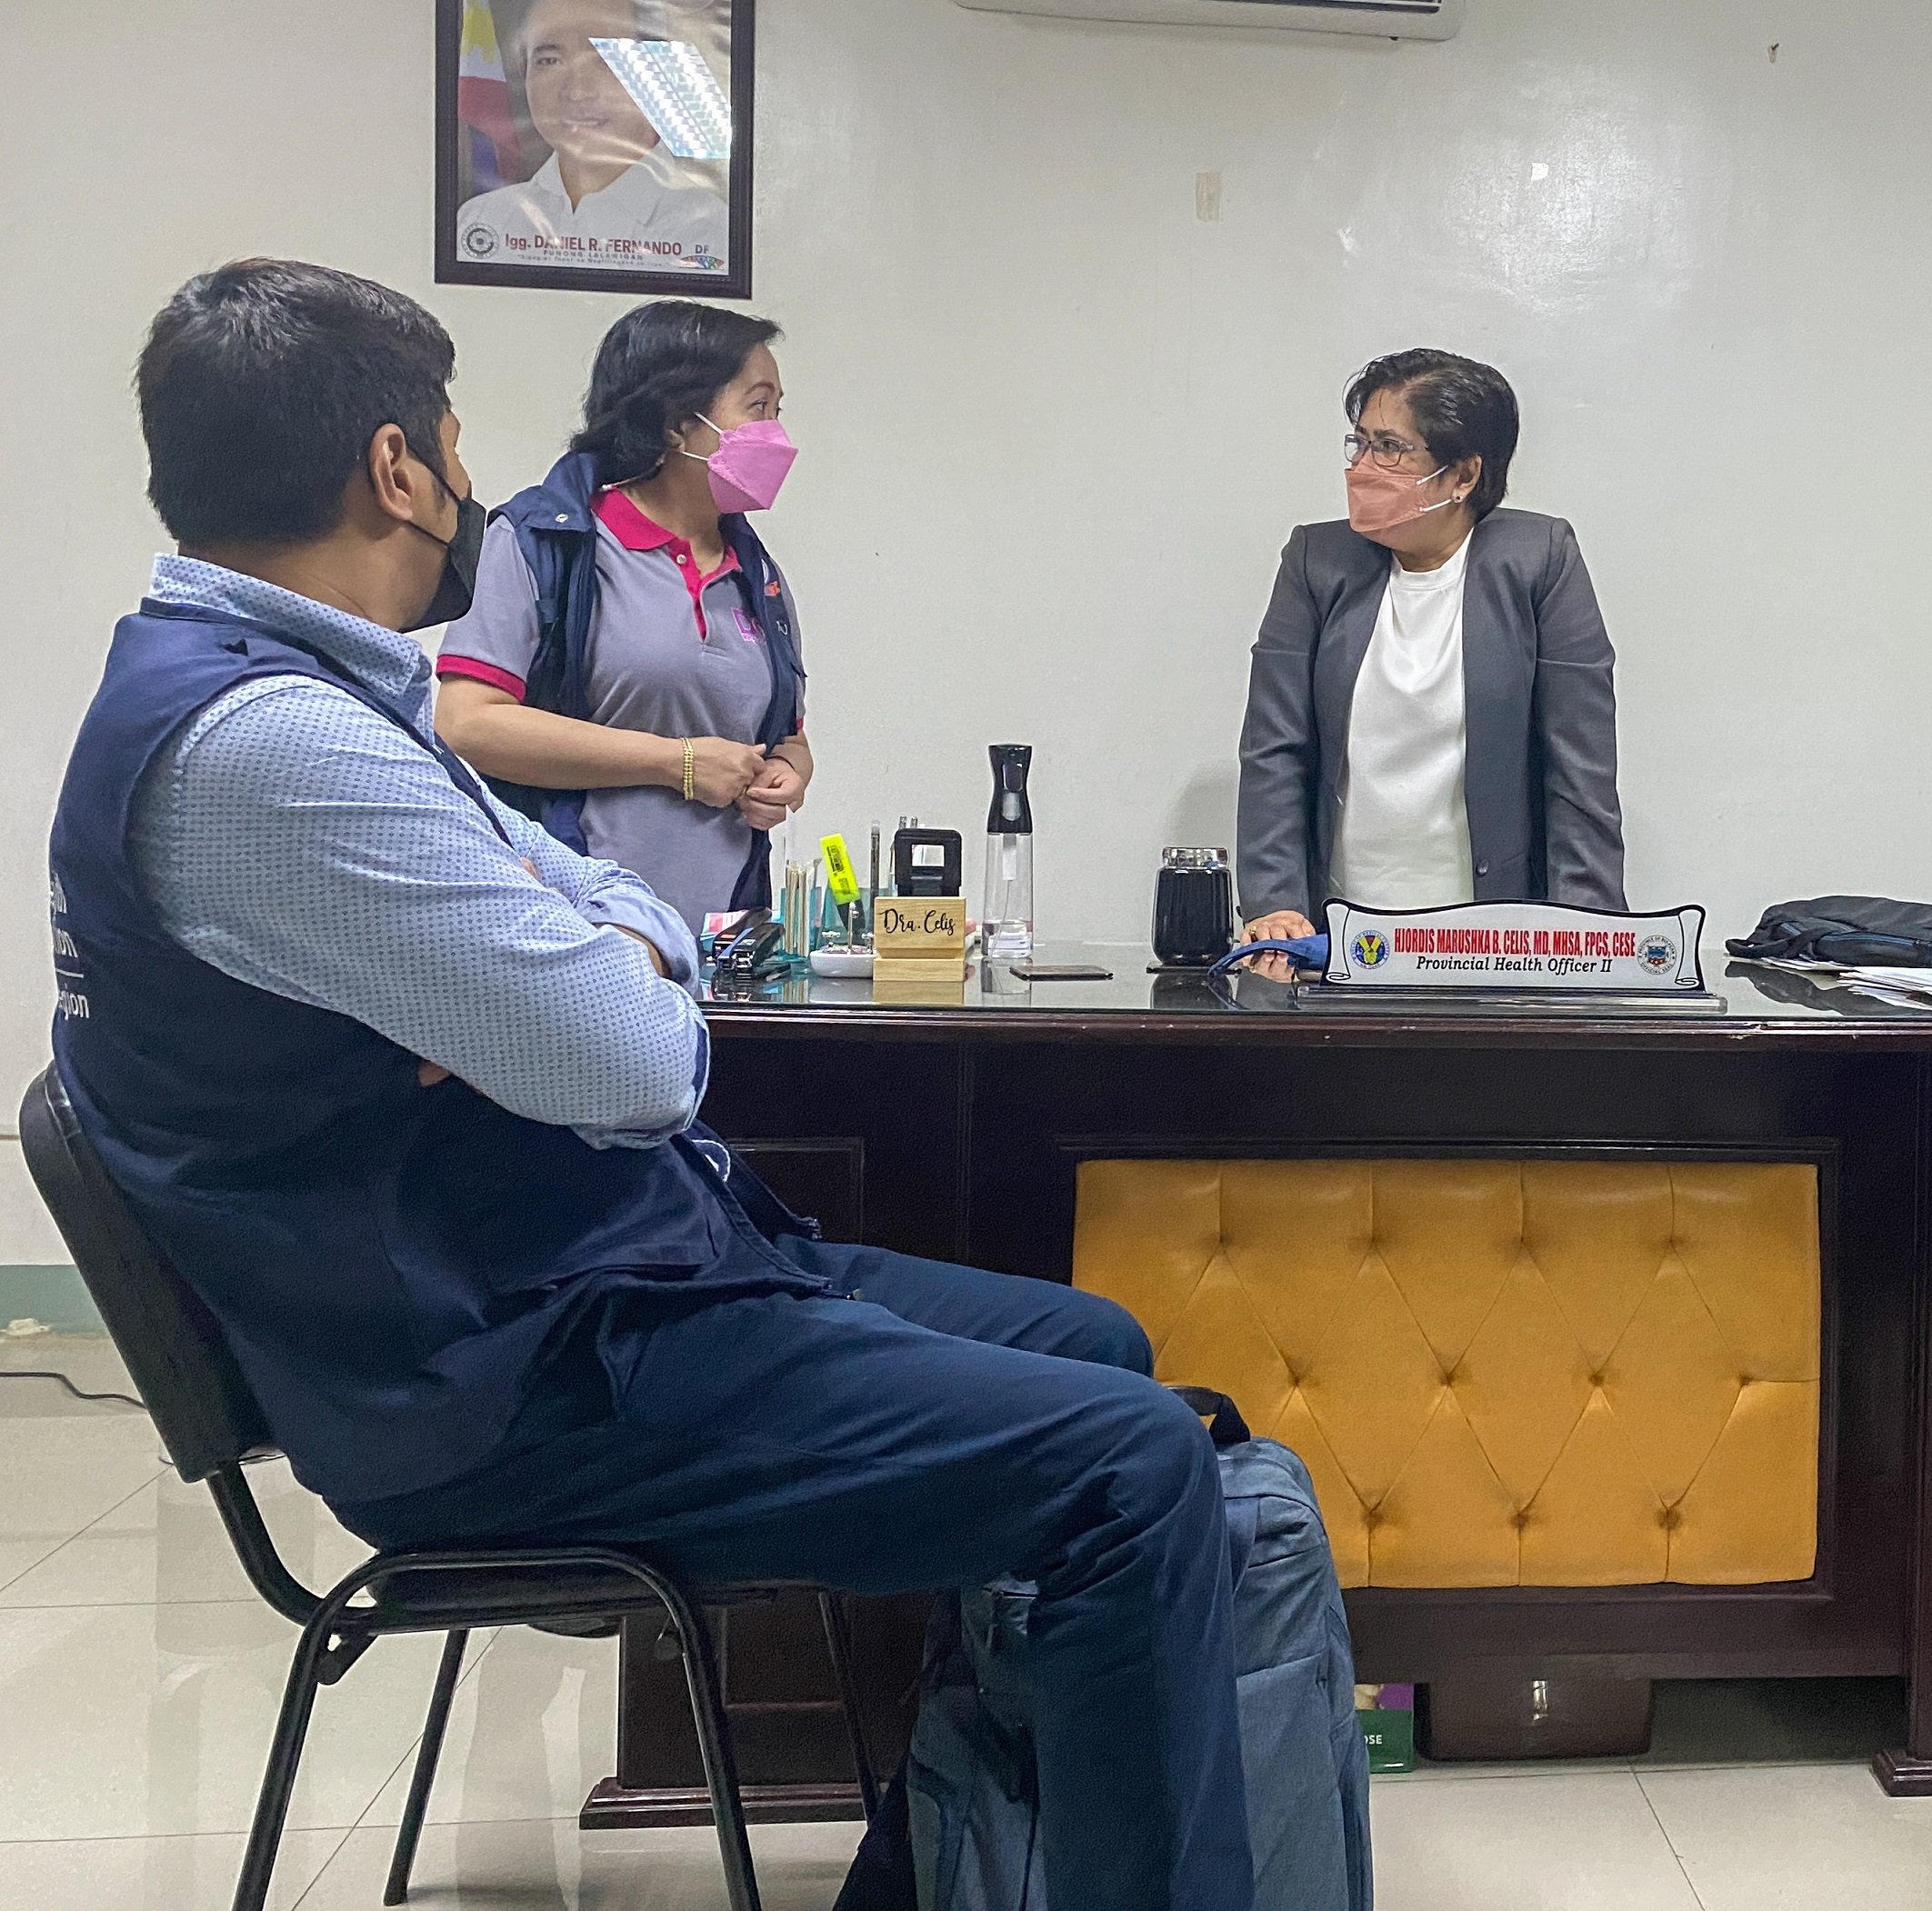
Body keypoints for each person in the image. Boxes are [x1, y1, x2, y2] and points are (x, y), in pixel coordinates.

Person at [52, 259, 1251, 1909]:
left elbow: (598, 910)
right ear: (395, 468)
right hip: (504, 1377)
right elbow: (636, 1064)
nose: (467, 476)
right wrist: (601, 956)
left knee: (1094, 1345)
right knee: (1130, 1466)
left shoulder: (305, 693)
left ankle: (944, 1876)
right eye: (452, 442)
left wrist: (592, 940)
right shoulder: (279, 746)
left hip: (575, 1289)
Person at [1234, 348, 1625, 961]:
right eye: (1360, 443)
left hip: (1495, 937)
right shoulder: (1316, 561)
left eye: (1390, 448)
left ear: (1463, 474)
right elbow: (1274, 748)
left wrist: (1587, 940)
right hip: (1340, 933)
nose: (1363, 467)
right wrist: (1275, 901)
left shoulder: (1540, 559)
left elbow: (1579, 767)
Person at [435, 300, 808, 925]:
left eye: (778, 410)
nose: (775, 434)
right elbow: (467, 724)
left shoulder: (756, 574)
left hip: (722, 938)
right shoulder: (547, 542)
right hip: (577, 927)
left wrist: (787, 773)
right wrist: (675, 763)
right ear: (676, 424)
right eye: (757, 406)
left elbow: (788, 736)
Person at [455, 0, 731, 279]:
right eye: (550, 61)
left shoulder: (708, 229)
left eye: (607, 60)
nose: (577, 92)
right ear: (524, 73)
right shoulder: (483, 219)